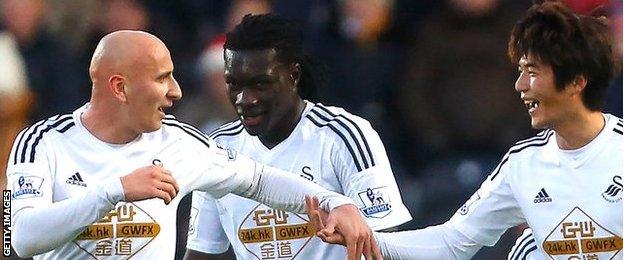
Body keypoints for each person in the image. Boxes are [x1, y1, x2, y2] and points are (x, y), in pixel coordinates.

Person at [5, 30, 378, 260]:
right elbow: (19, 237)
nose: (175, 91)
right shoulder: (39, 143)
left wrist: (336, 203)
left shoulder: (180, 142)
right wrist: (113, 191)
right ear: (119, 87)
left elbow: (259, 180)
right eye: (162, 78)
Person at [306, 2, 622, 259]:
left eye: (533, 73)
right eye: (520, 71)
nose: (520, 86)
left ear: (577, 82)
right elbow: (451, 241)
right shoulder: (522, 165)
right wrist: (364, 237)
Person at [184, 14, 411, 260]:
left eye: (260, 84)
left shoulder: (344, 135)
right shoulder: (218, 149)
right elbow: (202, 252)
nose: (244, 99)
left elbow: (385, 238)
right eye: (234, 84)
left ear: (293, 76)